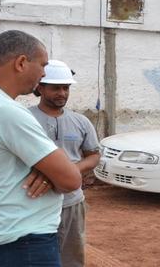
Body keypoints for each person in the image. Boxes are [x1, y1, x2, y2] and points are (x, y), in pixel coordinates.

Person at [0, 30, 82, 267]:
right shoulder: (5, 111)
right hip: (22, 244)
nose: (44, 73)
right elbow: (71, 179)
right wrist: (53, 169)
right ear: (21, 63)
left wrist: (47, 171)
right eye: (42, 65)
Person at [28, 60, 101, 267]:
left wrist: (68, 171)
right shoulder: (25, 118)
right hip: (33, 202)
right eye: (55, 88)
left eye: (66, 88)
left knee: (71, 257)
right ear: (40, 88)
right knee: (35, 256)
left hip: (71, 202)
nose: (62, 93)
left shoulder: (81, 121)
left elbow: (94, 156)